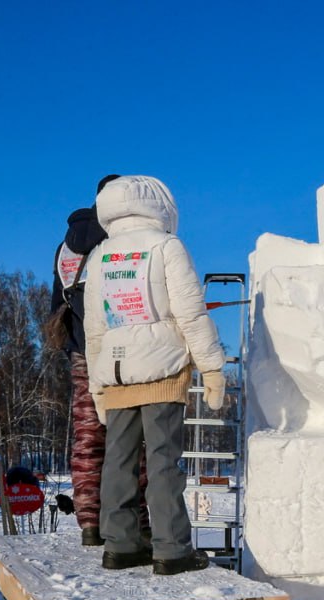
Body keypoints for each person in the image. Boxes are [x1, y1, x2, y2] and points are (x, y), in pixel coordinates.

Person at [82, 175, 226, 575]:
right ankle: (171, 549)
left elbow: (94, 328)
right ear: (160, 205)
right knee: (163, 460)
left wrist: (97, 386)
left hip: (116, 370)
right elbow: (190, 313)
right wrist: (212, 367)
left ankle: (120, 545)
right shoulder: (166, 246)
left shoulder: (101, 255)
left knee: (118, 461)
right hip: (162, 368)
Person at [45, 177, 114, 546]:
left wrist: (73, 348)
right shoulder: (124, 241)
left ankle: (89, 521)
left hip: (80, 351)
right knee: (129, 434)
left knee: (88, 435)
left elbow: (56, 306)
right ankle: (134, 519)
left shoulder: (65, 248)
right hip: (123, 350)